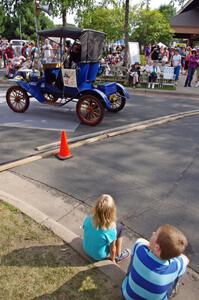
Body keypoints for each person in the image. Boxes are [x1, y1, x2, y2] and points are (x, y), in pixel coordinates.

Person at [122, 224, 189, 300]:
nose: (153, 233)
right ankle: (173, 290)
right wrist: (173, 253)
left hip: (128, 296)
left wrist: (150, 246)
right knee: (179, 272)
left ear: (157, 248)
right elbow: (185, 259)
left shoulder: (140, 249)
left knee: (134, 258)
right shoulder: (175, 267)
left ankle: (129, 275)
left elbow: (141, 240)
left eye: (156, 234)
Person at [82, 194, 130, 263]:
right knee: (120, 227)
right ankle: (118, 255)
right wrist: (112, 260)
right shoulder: (111, 230)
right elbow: (112, 249)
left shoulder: (88, 218)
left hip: (86, 249)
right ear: (112, 212)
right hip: (99, 256)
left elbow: (85, 229)